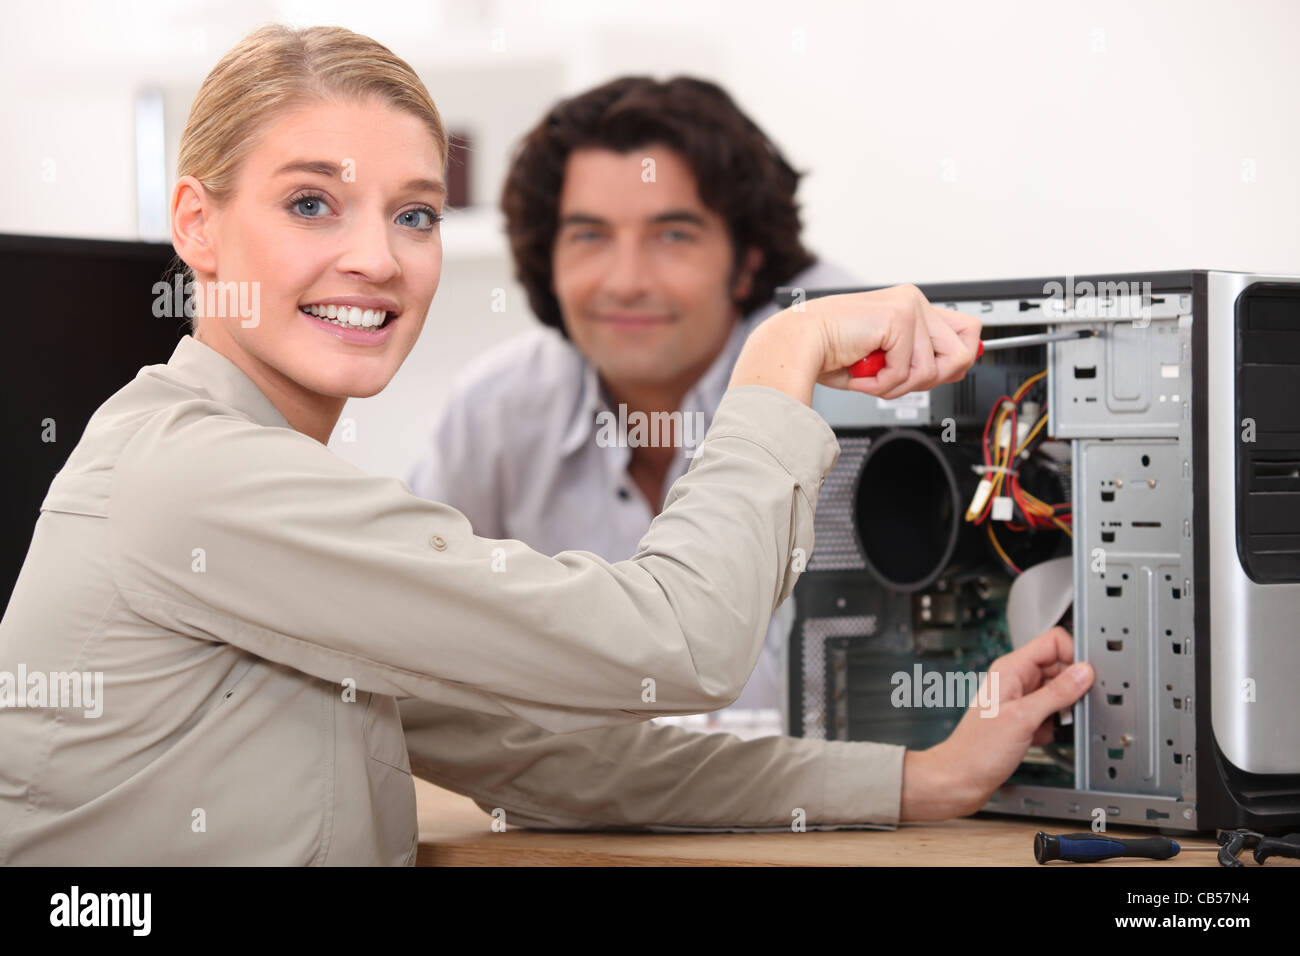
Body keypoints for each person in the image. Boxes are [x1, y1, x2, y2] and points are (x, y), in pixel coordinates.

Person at [0, 25, 1090, 865]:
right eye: (311, 203)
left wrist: (921, 778)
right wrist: (792, 341)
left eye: (415, 214)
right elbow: (682, 641)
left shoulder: (242, 485)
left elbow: (555, 755)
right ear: (196, 223)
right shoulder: (197, 480)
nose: (376, 258)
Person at [406, 76, 859, 727]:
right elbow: (415, 628)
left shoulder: (852, 387)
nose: (626, 282)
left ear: (748, 260)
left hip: (846, 820)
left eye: (673, 235)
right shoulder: (498, 410)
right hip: (573, 821)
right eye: (589, 236)